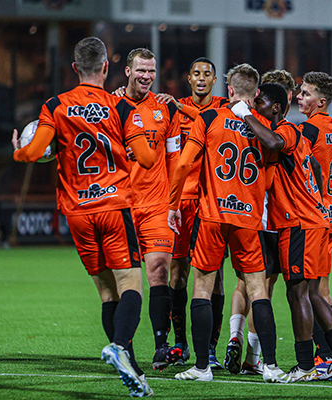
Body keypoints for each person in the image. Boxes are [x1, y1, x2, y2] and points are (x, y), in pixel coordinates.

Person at [11, 37, 155, 397]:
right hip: (114, 207)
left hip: (77, 212)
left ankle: (132, 369)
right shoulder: (120, 107)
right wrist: (129, 147)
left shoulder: (55, 106)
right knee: (131, 286)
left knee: (108, 293)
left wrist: (19, 153)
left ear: (75, 68)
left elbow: (32, 153)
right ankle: (121, 348)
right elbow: (148, 159)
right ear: (106, 67)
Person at [231, 82, 332, 383]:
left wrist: (243, 114)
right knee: (312, 292)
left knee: (296, 292)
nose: (255, 106)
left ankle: (304, 365)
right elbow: (312, 165)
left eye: (259, 102)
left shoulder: (287, 130)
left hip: (298, 223)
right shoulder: (304, 134)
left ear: (274, 108)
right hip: (310, 219)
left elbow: (274, 143)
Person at [168, 64, 286, 383]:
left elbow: (183, 164)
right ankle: (271, 366)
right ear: (256, 93)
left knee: (203, 288)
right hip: (248, 218)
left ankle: (203, 367)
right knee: (258, 289)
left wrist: (173, 204)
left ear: (229, 90)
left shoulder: (208, 119)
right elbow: (271, 177)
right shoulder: (266, 126)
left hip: (212, 214)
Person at [156, 57, 228, 369]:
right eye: (196, 73)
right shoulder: (172, 109)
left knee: (215, 277)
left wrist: (179, 107)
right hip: (180, 203)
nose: (201, 78)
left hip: (211, 202)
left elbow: (207, 118)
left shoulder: (224, 108)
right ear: (189, 78)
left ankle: (210, 346)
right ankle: (182, 342)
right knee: (178, 273)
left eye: (207, 74)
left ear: (215, 81)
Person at [224, 69, 297, 376]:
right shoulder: (279, 130)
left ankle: (234, 337)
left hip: (241, 214)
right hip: (270, 221)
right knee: (262, 288)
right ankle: (254, 358)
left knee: (243, 284)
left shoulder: (240, 120)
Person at [118, 48, 182, 371]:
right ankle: (123, 347)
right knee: (126, 280)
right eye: (141, 70)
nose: (146, 76)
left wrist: (174, 202)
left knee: (158, 269)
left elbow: (173, 157)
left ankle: (161, 346)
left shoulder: (163, 108)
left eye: (151, 71)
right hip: (123, 207)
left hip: (157, 205)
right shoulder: (112, 107)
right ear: (128, 71)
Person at [296, 71, 332, 373]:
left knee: (308, 290)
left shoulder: (309, 130)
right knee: (322, 289)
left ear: (321, 101)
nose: (299, 97)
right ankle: (331, 354)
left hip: (313, 216)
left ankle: (325, 356)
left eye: (305, 93)